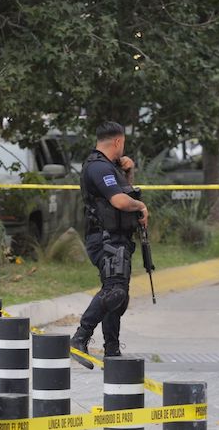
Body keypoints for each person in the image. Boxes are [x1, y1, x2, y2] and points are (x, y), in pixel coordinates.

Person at [70, 122, 149, 368]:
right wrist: (142, 207)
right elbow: (119, 201)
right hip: (105, 239)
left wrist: (128, 171)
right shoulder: (98, 167)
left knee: (118, 295)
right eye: (122, 143)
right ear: (117, 141)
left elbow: (126, 191)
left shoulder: (111, 168)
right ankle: (80, 338)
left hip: (117, 238)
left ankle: (112, 350)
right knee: (115, 291)